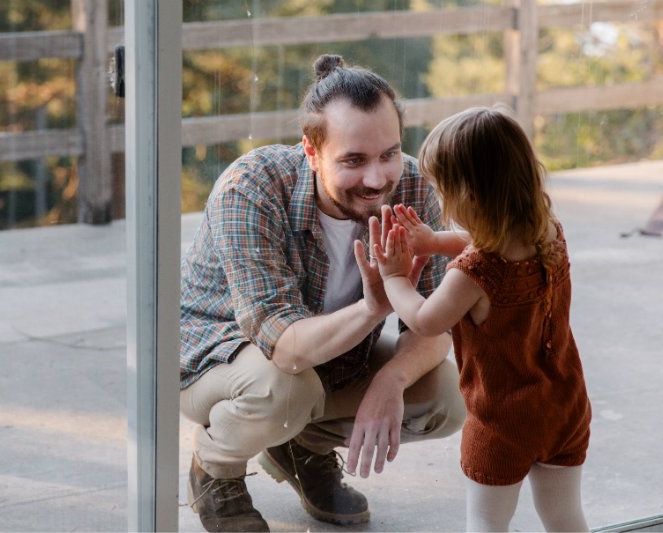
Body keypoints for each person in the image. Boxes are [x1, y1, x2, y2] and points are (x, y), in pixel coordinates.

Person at [179, 54, 466, 533]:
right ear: (311, 151)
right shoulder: (250, 187)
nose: (377, 180)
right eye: (354, 160)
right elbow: (287, 348)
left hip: (325, 359)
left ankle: (302, 450)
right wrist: (374, 307)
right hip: (213, 359)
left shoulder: (413, 183)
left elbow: (435, 323)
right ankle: (216, 468)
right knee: (288, 388)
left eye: (388, 154)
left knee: (446, 396)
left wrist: (390, 381)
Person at [372, 106, 592, 532]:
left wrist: (394, 276)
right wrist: (436, 241)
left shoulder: (473, 275)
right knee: (563, 516)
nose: (439, 199)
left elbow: (423, 320)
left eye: (442, 190)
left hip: (502, 423)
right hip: (564, 407)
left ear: (469, 195)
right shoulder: (548, 231)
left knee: (487, 523)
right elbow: (493, 238)